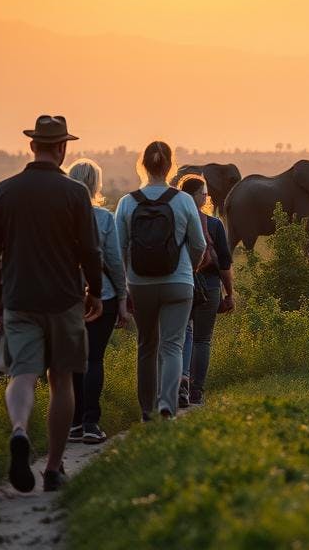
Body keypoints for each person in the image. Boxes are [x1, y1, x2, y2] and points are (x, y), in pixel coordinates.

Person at [0, 115, 104, 493]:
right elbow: (89, 249)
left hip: (19, 298)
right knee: (61, 380)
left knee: (23, 374)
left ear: (33, 145)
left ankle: (19, 429)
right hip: (65, 299)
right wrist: (95, 291)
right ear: (63, 147)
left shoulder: (5, 190)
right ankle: (53, 467)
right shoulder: (74, 193)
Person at [114, 141, 205, 421]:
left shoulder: (127, 202)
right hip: (179, 282)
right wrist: (188, 267)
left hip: (140, 284)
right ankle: (167, 404)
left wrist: (124, 287)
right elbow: (199, 244)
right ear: (170, 167)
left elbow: (119, 251)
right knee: (173, 345)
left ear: (143, 165)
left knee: (146, 345)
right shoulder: (184, 201)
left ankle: (146, 410)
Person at [67, 158, 129, 444]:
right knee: (94, 359)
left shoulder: (59, 216)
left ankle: (75, 422)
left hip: (67, 298)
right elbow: (115, 262)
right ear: (95, 185)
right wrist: (123, 298)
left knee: (73, 360)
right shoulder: (103, 218)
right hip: (102, 295)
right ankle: (92, 422)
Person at [177, 176, 235, 408]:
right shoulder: (214, 224)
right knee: (202, 339)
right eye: (204, 193)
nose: (207, 197)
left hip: (180, 285)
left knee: (182, 337)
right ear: (196, 197)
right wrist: (229, 293)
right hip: (209, 287)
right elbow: (224, 264)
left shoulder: (176, 221)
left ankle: (180, 383)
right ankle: (196, 392)